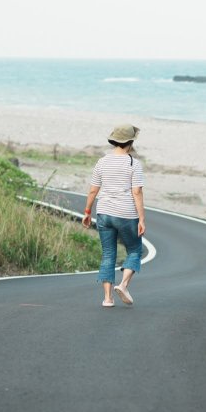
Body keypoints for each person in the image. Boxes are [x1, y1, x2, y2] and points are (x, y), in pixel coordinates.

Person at [82, 124, 146, 308]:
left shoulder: (102, 162)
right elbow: (137, 193)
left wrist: (87, 212)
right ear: (130, 142)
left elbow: (93, 190)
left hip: (104, 213)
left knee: (108, 254)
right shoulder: (133, 163)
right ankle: (124, 285)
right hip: (126, 214)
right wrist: (141, 219)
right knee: (135, 250)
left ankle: (108, 298)